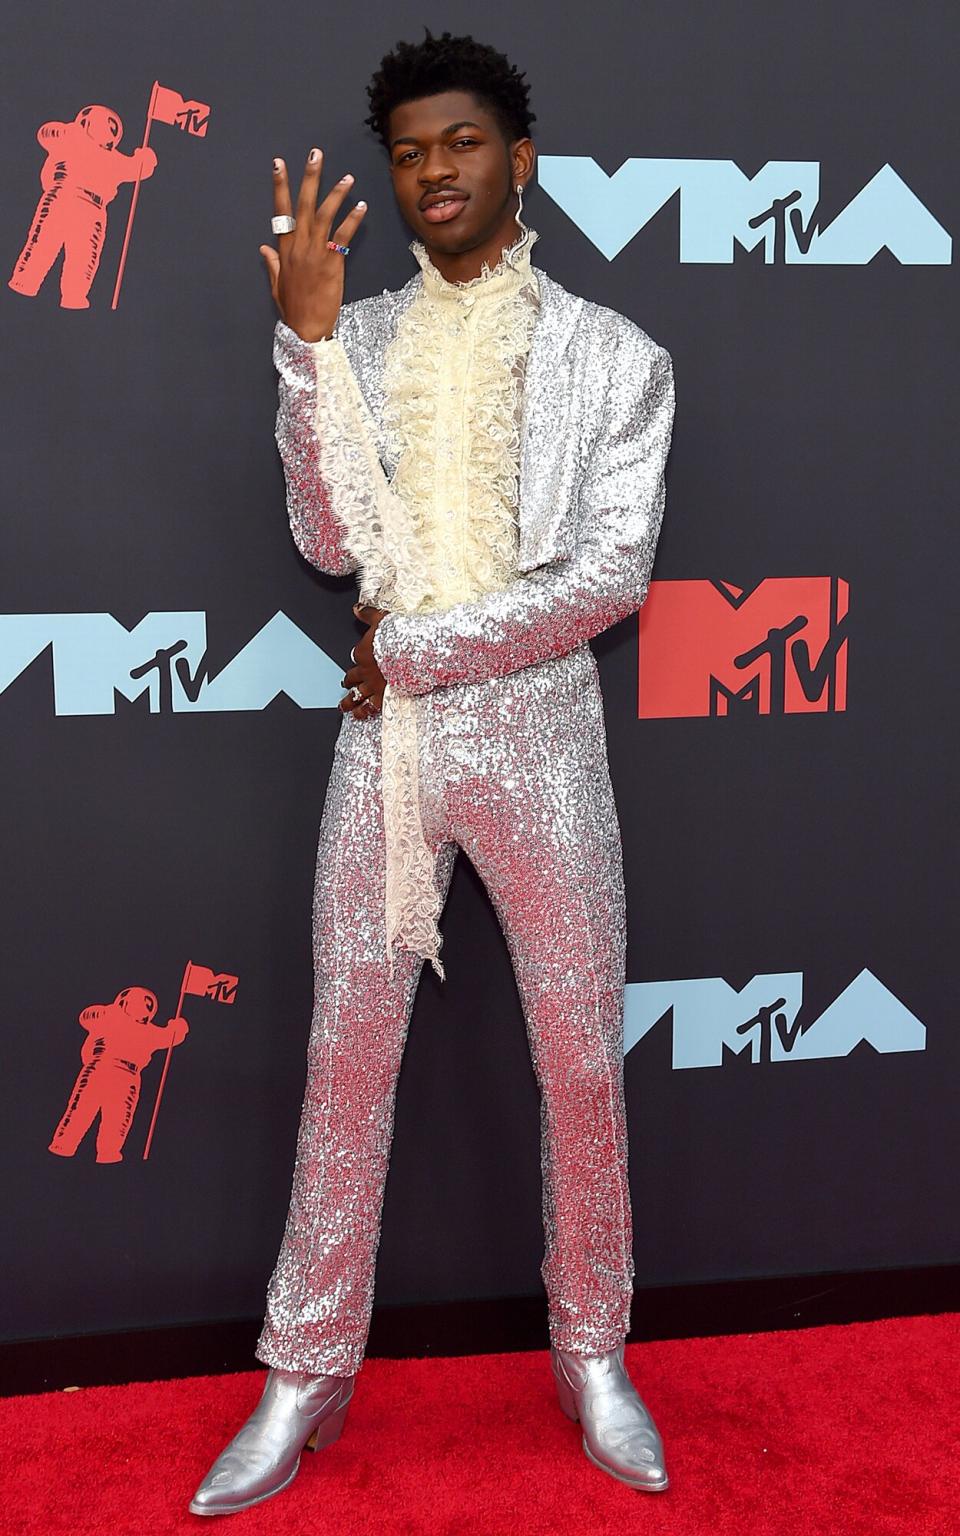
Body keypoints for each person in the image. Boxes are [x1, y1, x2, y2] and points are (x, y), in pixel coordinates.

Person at [189, 29, 675, 1517]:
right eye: (407, 151)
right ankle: (304, 1370)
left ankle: (592, 1352)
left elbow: (612, 578)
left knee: (582, 1063)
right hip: (385, 754)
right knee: (346, 1061)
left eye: (460, 142)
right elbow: (328, 543)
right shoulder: (370, 334)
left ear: (518, 159)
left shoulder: (618, 356)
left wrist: (420, 652)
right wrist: (310, 346)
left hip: (537, 742)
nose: (432, 172)